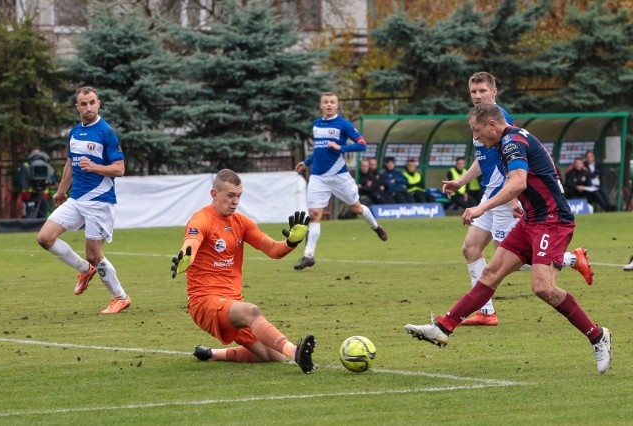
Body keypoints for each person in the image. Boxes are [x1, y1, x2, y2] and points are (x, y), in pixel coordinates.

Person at [406, 103, 612, 374]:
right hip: (532, 219)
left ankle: (597, 336)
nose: (476, 137)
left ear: (492, 125)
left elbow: (518, 182)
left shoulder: (512, 142)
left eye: (476, 131)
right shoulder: (506, 141)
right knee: (490, 273)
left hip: (552, 221)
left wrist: (482, 207)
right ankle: (442, 327)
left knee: (543, 288)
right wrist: (463, 183)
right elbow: (512, 177)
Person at [442, 72, 594, 326]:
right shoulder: (477, 122)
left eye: (482, 91)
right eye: (473, 92)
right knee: (471, 249)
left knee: (507, 258)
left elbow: (514, 164)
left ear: (494, 92)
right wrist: (462, 182)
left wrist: (514, 200)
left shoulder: (498, 120)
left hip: (504, 195)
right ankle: (486, 312)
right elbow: (484, 158)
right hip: (491, 192)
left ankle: (569, 258)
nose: (477, 96)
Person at [171, 169, 316, 373]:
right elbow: (191, 243)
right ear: (215, 194)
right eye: (230, 195)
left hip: (233, 304)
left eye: (239, 195)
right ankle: (296, 352)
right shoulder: (201, 219)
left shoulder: (241, 223)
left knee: (273, 356)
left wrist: (292, 242)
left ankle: (212, 354)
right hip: (205, 302)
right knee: (251, 311)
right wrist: (186, 256)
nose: (235, 201)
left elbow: (274, 250)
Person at [36, 86, 130, 314]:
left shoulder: (106, 132)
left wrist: (95, 167)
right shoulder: (74, 132)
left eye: (92, 102)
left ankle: (120, 297)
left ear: (98, 104)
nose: (88, 107)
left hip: (99, 201)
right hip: (76, 199)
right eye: (83, 104)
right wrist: (60, 191)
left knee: (94, 254)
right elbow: (70, 163)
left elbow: (119, 169)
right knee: (44, 238)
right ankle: (84, 270)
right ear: (77, 106)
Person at [293, 92, 388, 270]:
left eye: (332, 102)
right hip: (318, 177)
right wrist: (306, 163)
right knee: (314, 214)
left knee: (356, 208)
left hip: (339, 176)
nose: (329, 105)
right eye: (325, 102)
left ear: (337, 106)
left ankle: (376, 226)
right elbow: (319, 150)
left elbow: (362, 144)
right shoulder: (316, 125)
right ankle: (308, 255)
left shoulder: (343, 124)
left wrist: (340, 147)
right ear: (321, 105)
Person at [15, 148, 57, 218]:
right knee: (30, 215)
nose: (37, 155)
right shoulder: (26, 165)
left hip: (43, 194)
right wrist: (28, 179)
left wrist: (48, 181)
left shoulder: (46, 165)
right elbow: (19, 180)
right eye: (34, 154)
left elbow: (52, 179)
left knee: (42, 215)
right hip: (29, 195)